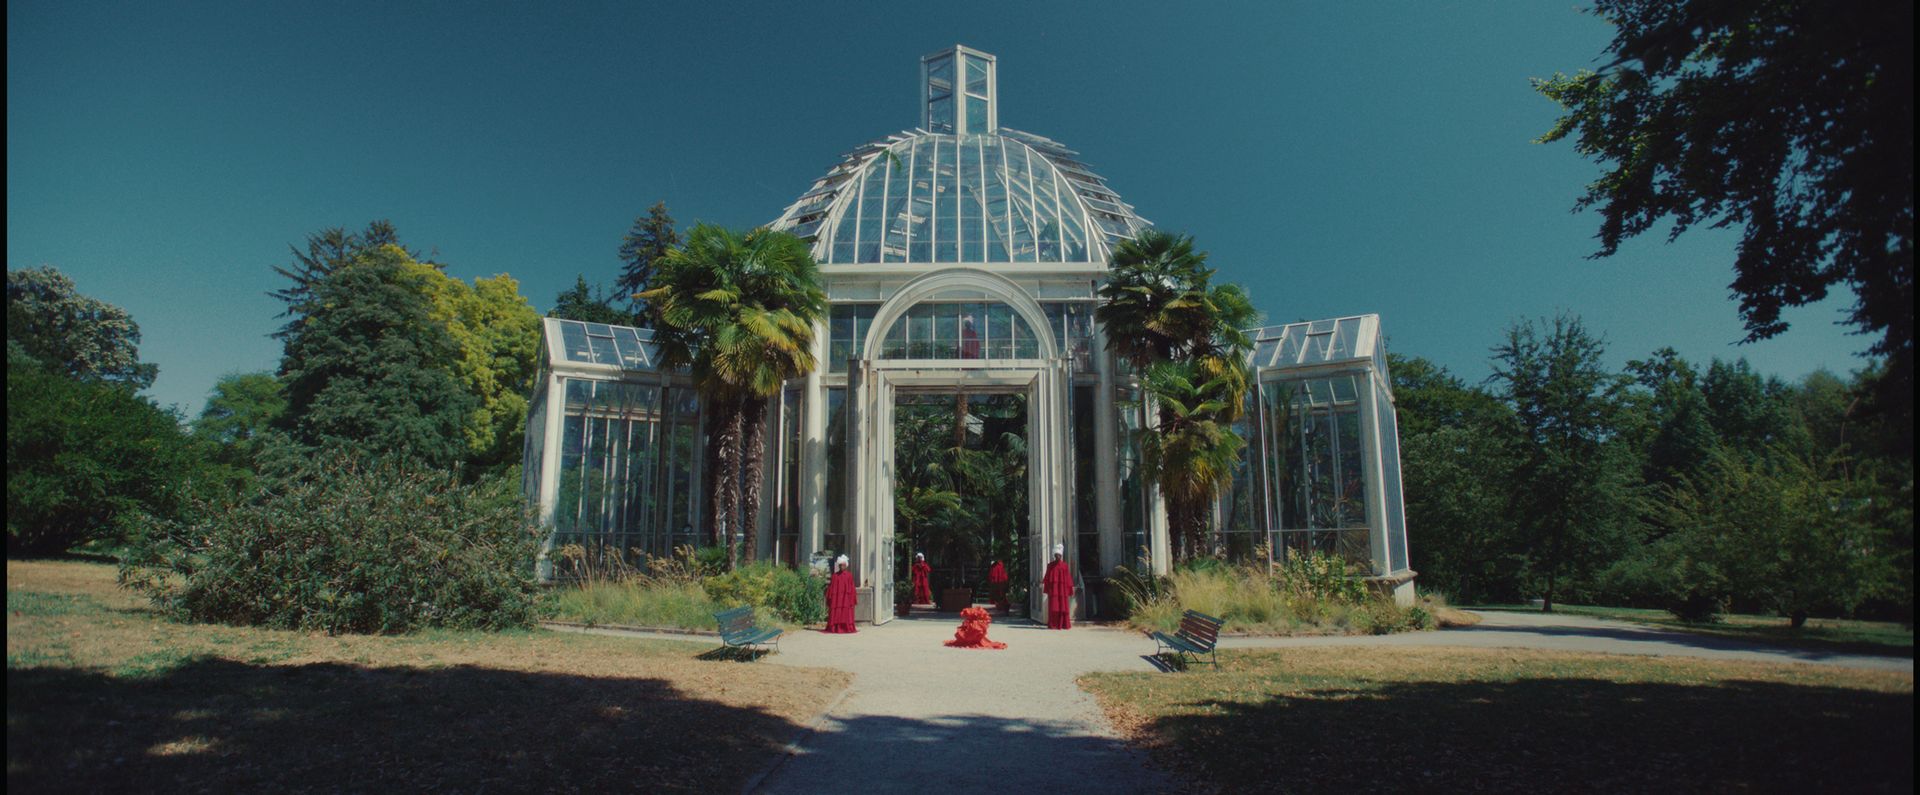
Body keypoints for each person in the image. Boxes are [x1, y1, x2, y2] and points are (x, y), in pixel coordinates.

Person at [1043, 543, 1073, 630]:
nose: (1057, 557)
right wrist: (1048, 589)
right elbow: (1047, 579)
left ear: (1061, 555)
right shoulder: (1050, 566)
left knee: (1063, 607)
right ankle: (1053, 624)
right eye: (1056, 555)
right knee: (1053, 607)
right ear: (1054, 555)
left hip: (1062, 591)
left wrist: (1069, 590)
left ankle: (1063, 624)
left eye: (1059, 555)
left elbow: (1068, 579)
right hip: (1054, 591)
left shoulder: (1064, 566)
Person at [824, 555, 857, 634]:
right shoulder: (835, 576)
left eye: (843, 565)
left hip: (846, 599)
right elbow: (831, 589)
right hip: (837, 600)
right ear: (838, 565)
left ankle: (846, 627)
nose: (842, 566)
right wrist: (830, 598)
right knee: (837, 612)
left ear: (846, 565)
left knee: (846, 612)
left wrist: (852, 598)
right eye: (840, 565)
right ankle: (835, 627)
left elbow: (852, 588)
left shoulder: (849, 575)